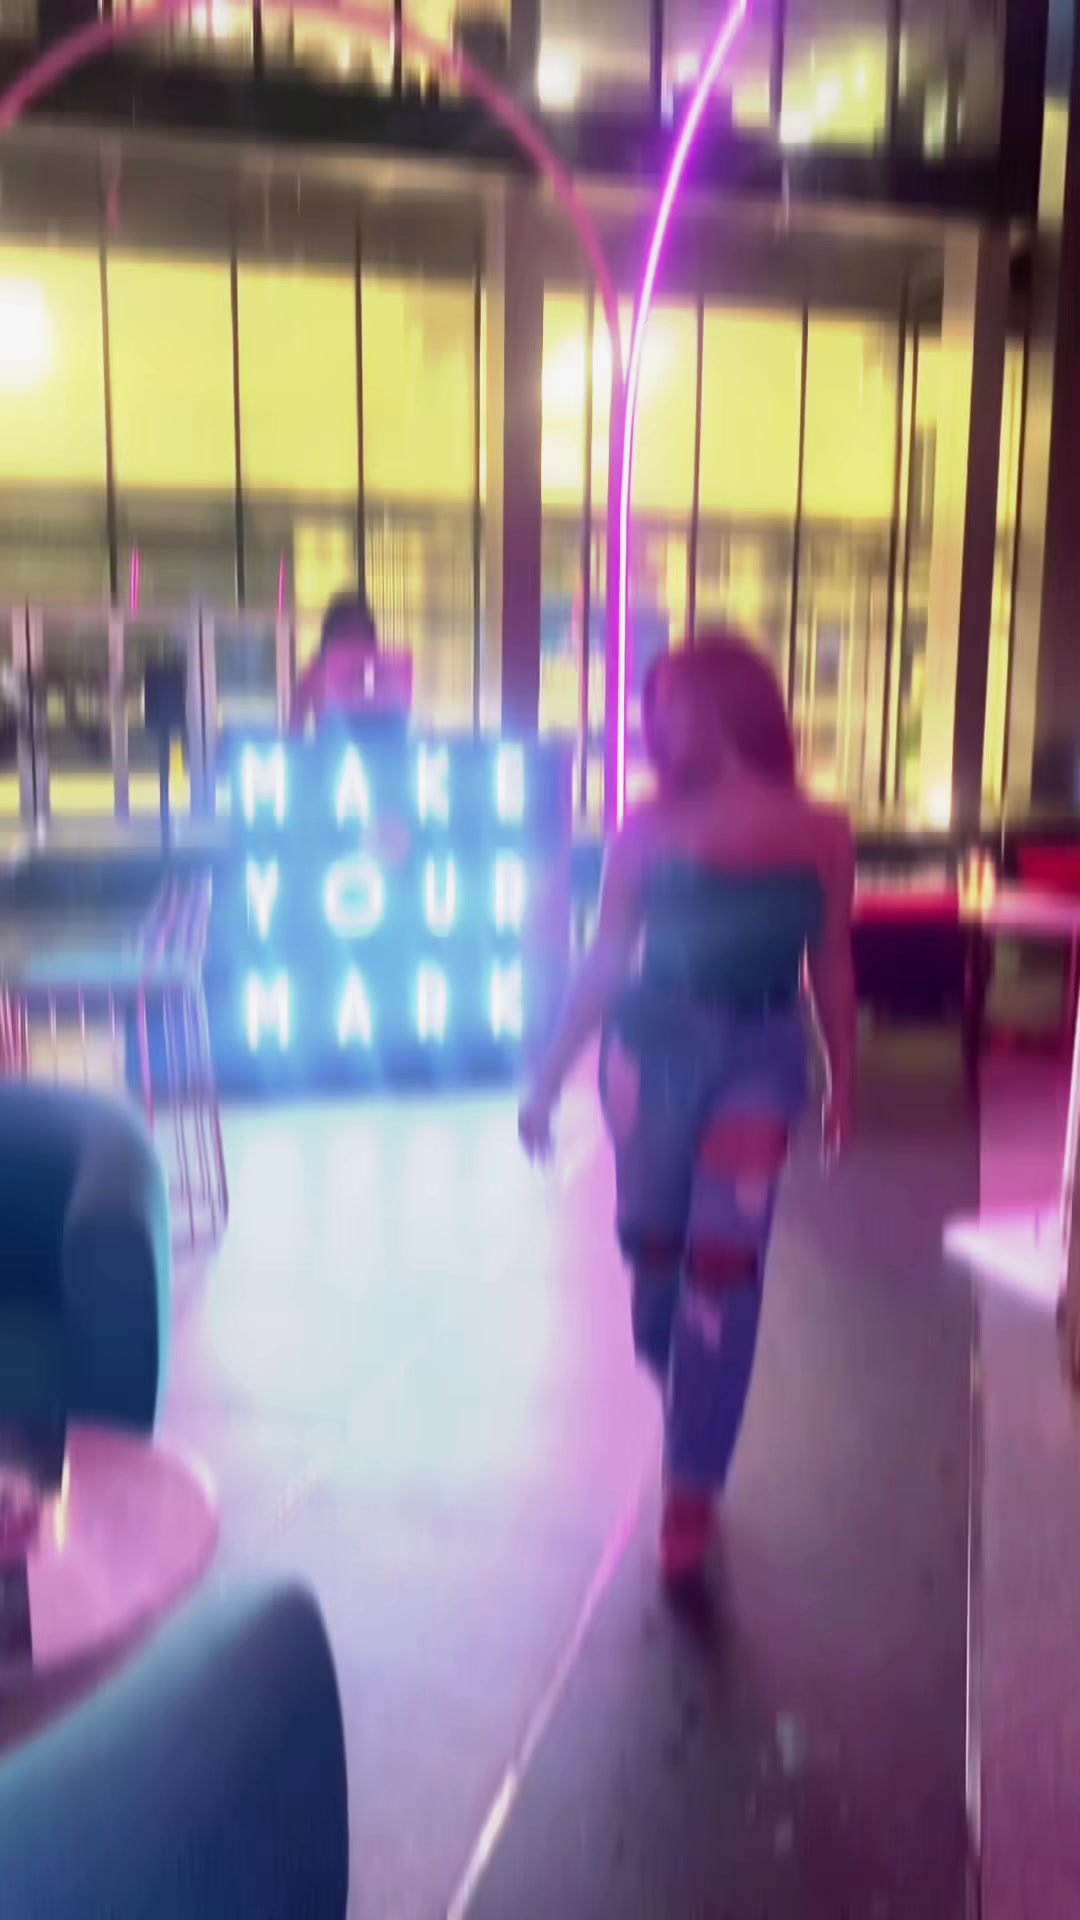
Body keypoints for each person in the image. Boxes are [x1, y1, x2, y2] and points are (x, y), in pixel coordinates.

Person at [518, 633, 856, 1587]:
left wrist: (845, 1077)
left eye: (665, 702)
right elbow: (605, 959)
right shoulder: (644, 829)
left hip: (762, 1051)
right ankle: (688, 1390)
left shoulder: (823, 829)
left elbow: (832, 957)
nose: (652, 722)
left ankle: (692, 1482)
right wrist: (547, 1078)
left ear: (721, 704)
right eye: (651, 705)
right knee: (658, 1272)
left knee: (724, 1266)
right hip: (650, 1054)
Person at [290, 591, 381, 734]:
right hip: (328, 745)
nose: (354, 639)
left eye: (359, 631)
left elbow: (396, 724)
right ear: (332, 634)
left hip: (375, 745)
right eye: (347, 631)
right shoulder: (316, 673)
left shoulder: (379, 672)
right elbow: (295, 724)